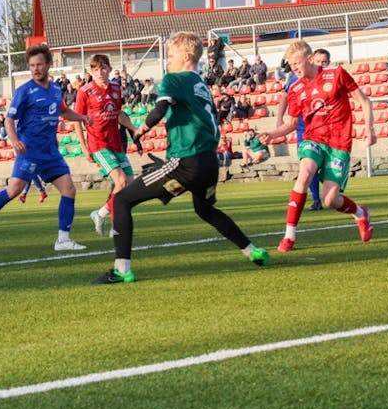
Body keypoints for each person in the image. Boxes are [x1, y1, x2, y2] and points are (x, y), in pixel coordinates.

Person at [91, 31, 269, 285]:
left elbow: (161, 108)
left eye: (170, 55)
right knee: (205, 209)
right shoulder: (201, 85)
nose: (167, 61)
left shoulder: (174, 79)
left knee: (121, 200)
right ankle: (253, 251)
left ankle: (121, 270)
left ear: (186, 57)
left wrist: (141, 128)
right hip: (207, 162)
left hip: (186, 162)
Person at [0, 44, 92, 250]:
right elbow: (9, 120)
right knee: (13, 191)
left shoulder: (57, 90)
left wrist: (82, 117)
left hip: (50, 152)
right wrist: (14, 140)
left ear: (48, 65)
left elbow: (64, 112)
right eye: (32, 65)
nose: (36, 69)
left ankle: (63, 239)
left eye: (39, 64)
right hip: (29, 151)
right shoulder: (24, 91)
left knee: (69, 190)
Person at [259, 40, 375, 253]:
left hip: (339, 143)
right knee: (304, 174)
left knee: (330, 199)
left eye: (297, 63)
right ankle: (289, 236)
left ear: (310, 59)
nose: (294, 69)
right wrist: (272, 134)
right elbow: (292, 124)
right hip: (313, 139)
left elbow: (364, 101)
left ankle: (360, 213)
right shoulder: (295, 88)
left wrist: (369, 128)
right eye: (291, 65)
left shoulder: (337, 74)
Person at [73, 53, 137, 238]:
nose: (99, 72)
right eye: (95, 69)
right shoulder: (84, 92)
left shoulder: (116, 88)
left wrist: (134, 128)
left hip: (115, 143)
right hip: (98, 144)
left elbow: (118, 113)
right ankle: (109, 221)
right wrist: (84, 147)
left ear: (109, 69)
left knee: (128, 185)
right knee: (121, 181)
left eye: (103, 68)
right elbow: (77, 120)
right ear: (91, 72)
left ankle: (104, 217)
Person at [273, 48, 331, 210]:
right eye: (319, 61)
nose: (321, 64)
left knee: (325, 166)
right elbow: (285, 97)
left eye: (324, 62)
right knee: (307, 166)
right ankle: (316, 199)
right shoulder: (294, 81)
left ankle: (330, 193)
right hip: (303, 129)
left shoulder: (330, 79)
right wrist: (279, 118)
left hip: (325, 130)